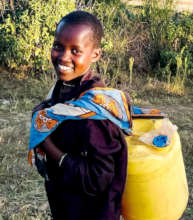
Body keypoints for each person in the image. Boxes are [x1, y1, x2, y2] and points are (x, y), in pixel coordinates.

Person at [30, 11, 130, 220]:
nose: (64, 57)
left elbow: (98, 179)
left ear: (95, 54)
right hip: (67, 204)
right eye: (58, 46)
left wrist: (47, 144)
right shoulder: (65, 89)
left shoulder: (93, 115)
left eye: (75, 50)